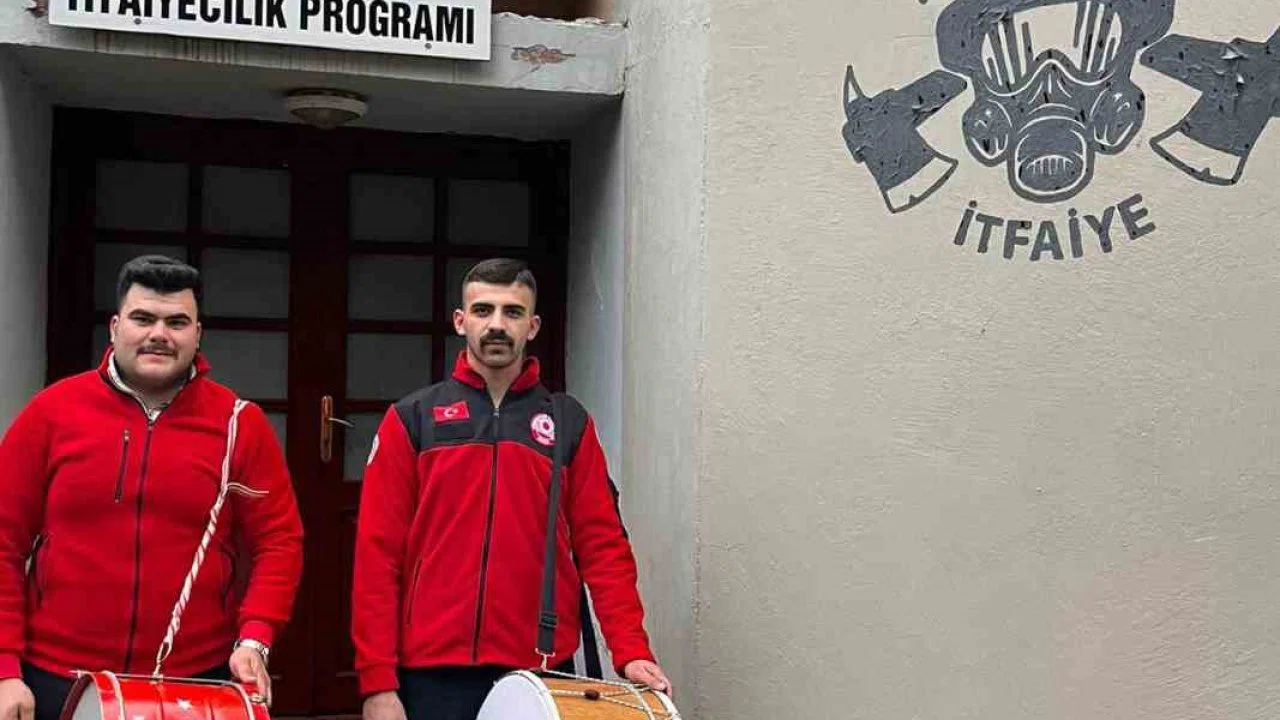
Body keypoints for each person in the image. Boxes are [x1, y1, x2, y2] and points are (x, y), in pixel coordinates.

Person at [352, 258, 671, 720]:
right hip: (430, 674)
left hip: (539, 670)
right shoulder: (413, 419)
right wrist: (378, 683)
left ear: (533, 326)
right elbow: (377, 556)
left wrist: (631, 650)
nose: (497, 325)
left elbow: (603, 547)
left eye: (513, 312)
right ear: (460, 321)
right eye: (483, 310)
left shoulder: (568, 424)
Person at [0, 255, 304, 720]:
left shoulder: (240, 424)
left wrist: (255, 637)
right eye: (143, 319)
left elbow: (279, 542)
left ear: (197, 334)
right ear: (115, 327)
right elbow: (3, 540)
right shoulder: (50, 413)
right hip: (58, 676)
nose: (159, 334)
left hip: (192, 681)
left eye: (176, 322)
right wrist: (5, 669)